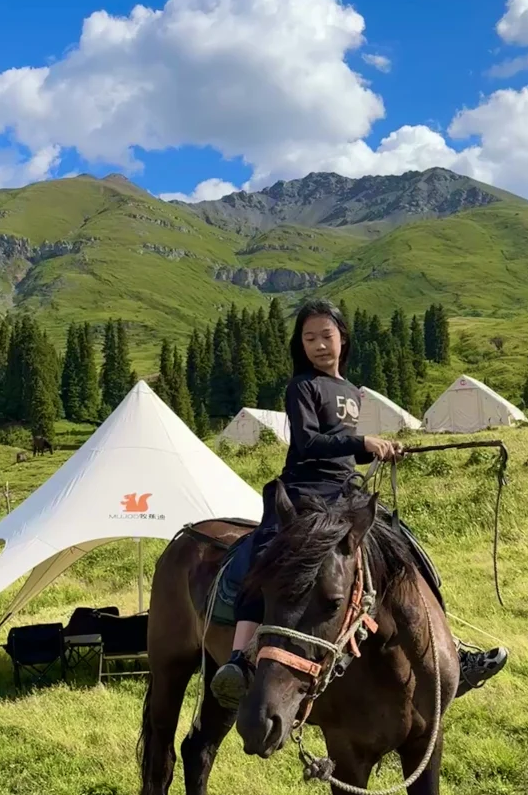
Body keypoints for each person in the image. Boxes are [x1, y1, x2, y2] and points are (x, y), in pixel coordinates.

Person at [210, 300, 508, 709]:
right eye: (309, 338)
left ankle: (449, 649)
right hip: (302, 491)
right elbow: (308, 443)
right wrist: (361, 441)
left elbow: (344, 452)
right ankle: (239, 661)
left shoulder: (351, 391)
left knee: (404, 548)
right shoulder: (302, 386)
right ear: (300, 344)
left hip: (345, 492)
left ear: (343, 339)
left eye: (326, 336)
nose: (318, 345)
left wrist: (378, 451)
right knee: (267, 555)